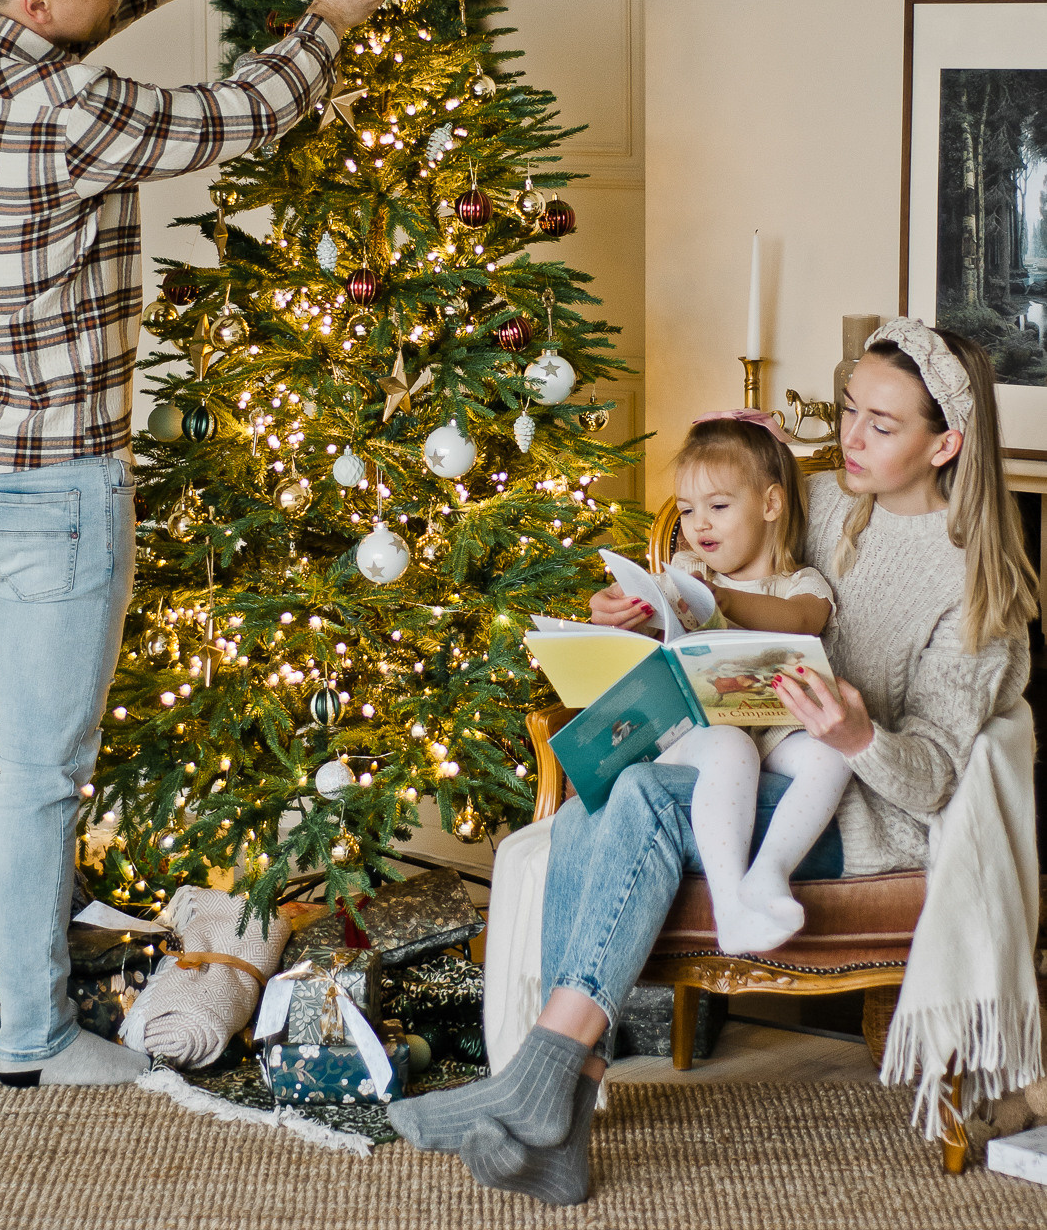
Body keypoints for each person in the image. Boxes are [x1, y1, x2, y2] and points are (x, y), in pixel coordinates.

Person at [0, 0, 410, 1087]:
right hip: (48, 490)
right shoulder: (71, 104)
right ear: (43, 1)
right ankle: (38, 1042)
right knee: (48, 771)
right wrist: (327, 17)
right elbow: (238, 114)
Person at [387, 318, 1034, 1204]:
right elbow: (727, 531)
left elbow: (937, 779)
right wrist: (657, 607)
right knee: (603, 790)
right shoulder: (829, 498)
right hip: (751, 758)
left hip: (850, 808)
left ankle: (541, 1083)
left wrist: (855, 736)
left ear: (945, 443)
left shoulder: (976, 592)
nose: (848, 438)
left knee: (649, 794)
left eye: (882, 427)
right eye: (849, 410)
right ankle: (559, 1117)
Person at [648, 412, 846, 955]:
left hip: (776, 730)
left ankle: (769, 873)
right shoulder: (687, 570)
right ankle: (729, 905)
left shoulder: (800, 583)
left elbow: (803, 621)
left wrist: (725, 602)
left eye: (717, 506)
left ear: (770, 504)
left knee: (832, 755)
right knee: (733, 748)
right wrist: (621, 610)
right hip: (700, 731)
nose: (698, 524)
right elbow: (650, 616)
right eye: (687, 510)